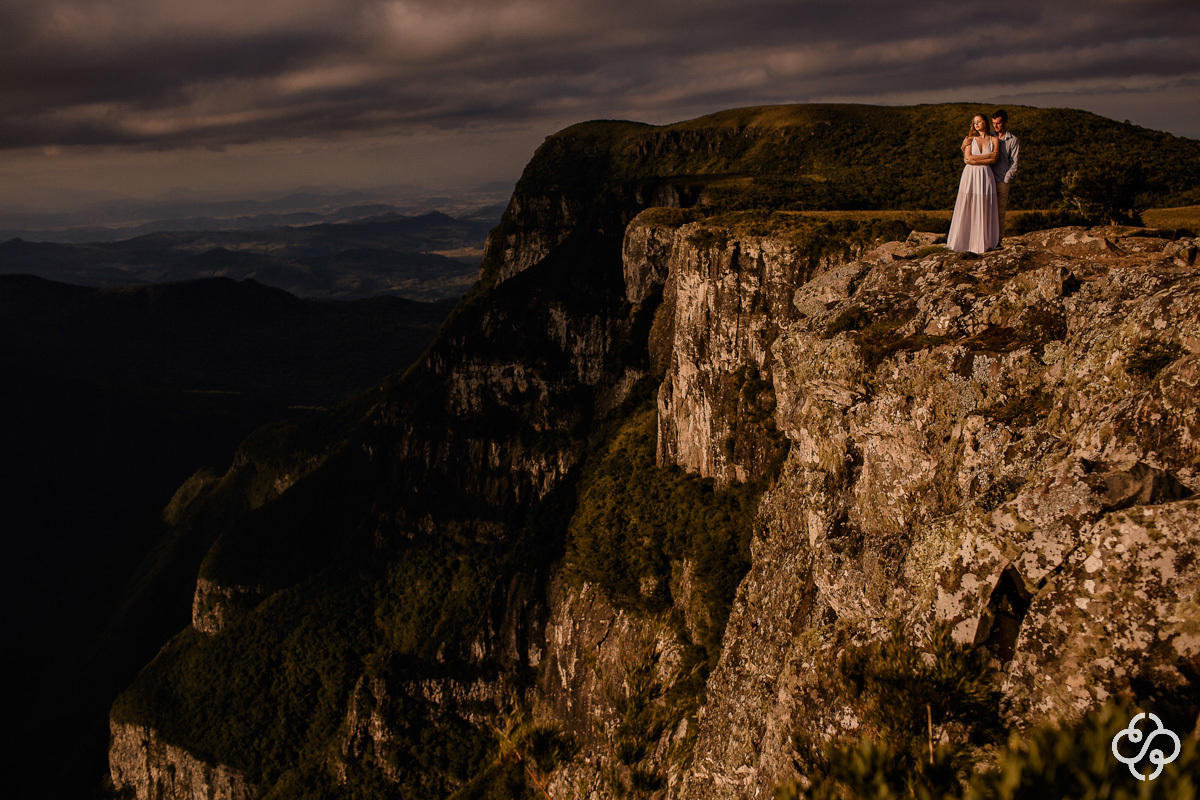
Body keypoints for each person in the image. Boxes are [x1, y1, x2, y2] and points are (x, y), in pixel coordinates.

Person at [946, 113, 1000, 254]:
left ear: (985, 122)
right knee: (967, 204)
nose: (976, 124)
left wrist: (976, 161)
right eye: (974, 122)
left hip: (985, 174)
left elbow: (993, 160)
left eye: (979, 121)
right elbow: (967, 157)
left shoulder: (994, 140)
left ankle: (981, 242)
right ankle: (964, 241)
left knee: (984, 205)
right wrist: (987, 156)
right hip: (970, 174)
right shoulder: (969, 139)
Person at [990, 109, 1019, 240]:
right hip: (988, 179)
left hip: (1002, 180)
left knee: (1000, 211)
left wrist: (1006, 179)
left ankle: (999, 239)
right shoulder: (989, 136)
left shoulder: (1012, 140)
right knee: (987, 210)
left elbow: (1014, 162)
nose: (995, 126)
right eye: (993, 123)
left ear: (1005, 122)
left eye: (998, 123)